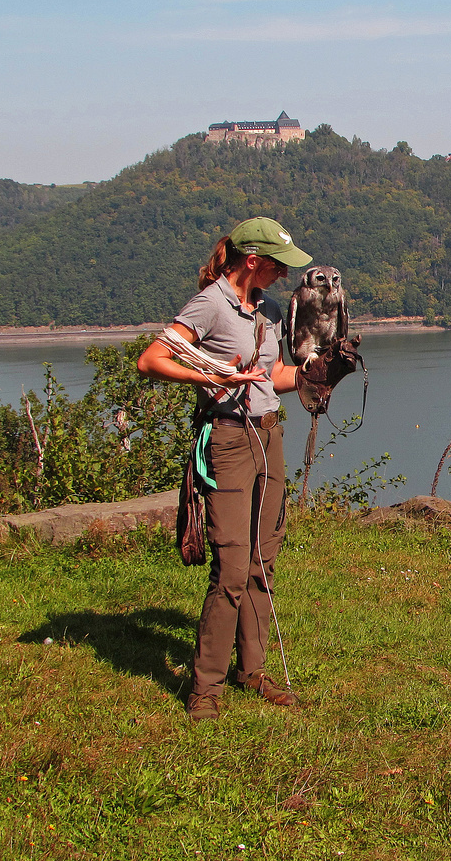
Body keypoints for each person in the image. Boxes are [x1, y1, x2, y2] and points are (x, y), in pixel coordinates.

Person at [137, 217, 312, 720]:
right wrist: (209, 375)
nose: (285, 273)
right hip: (229, 441)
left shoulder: (271, 310)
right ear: (252, 260)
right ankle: (204, 689)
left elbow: (272, 376)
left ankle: (252, 670)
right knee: (232, 568)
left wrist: (314, 372)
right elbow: (152, 359)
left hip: (269, 434)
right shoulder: (212, 303)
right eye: (279, 263)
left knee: (262, 561)